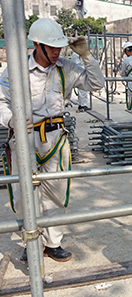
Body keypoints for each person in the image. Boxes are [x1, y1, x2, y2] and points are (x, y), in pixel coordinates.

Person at [0, 18, 105, 263]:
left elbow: (97, 85)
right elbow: (1, 103)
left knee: (56, 192)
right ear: (37, 45)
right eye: (52, 47)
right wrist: (12, 119)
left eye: (59, 47)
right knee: (26, 193)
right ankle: (32, 242)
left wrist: (87, 56)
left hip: (55, 139)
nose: (57, 52)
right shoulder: (15, 71)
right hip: (24, 139)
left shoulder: (66, 67)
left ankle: (53, 243)